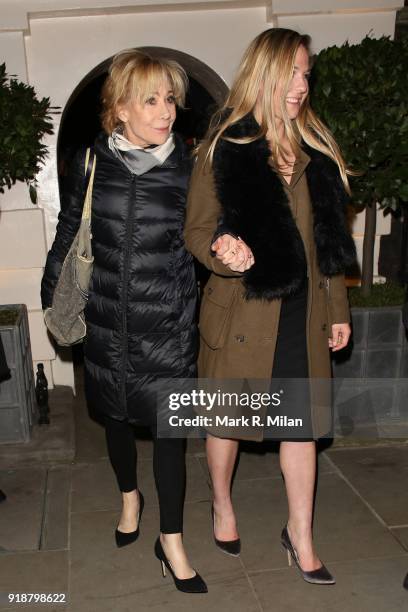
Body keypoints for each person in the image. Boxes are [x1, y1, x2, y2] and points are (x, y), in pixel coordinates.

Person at [184, 28, 356, 585]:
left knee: (300, 427)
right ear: (264, 72)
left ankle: (301, 537)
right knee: (228, 425)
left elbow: (323, 247)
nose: (302, 85)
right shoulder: (223, 149)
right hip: (242, 311)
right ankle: (221, 504)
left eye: (307, 73)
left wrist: (337, 311)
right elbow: (197, 229)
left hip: (302, 316)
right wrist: (220, 248)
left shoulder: (316, 155)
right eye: (293, 72)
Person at [41, 49, 207, 594]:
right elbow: (71, 228)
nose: (167, 111)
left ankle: (173, 540)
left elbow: (208, 236)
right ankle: (128, 497)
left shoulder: (192, 166)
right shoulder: (92, 162)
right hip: (107, 316)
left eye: (170, 99)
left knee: (170, 432)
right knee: (114, 418)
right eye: (152, 100)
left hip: (168, 321)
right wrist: (53, 296)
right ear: (120, 109)